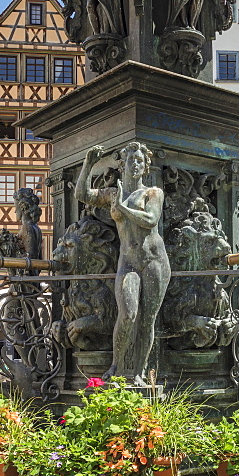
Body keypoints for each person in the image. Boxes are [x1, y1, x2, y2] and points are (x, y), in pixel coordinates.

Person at [75, 143, 171, 385]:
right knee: (128, 314)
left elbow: (150, 220)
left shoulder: (153, 193)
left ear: (145, 166)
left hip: (154, 261)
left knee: (147, 319)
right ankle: (116, 366)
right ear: (123, 165)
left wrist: (124, 209)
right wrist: (88, 164)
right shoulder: (113, 194)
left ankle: (139, 372)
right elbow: (82, 195)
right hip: (128, 261)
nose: (136, 165)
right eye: (132, 161)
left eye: (140, 161)